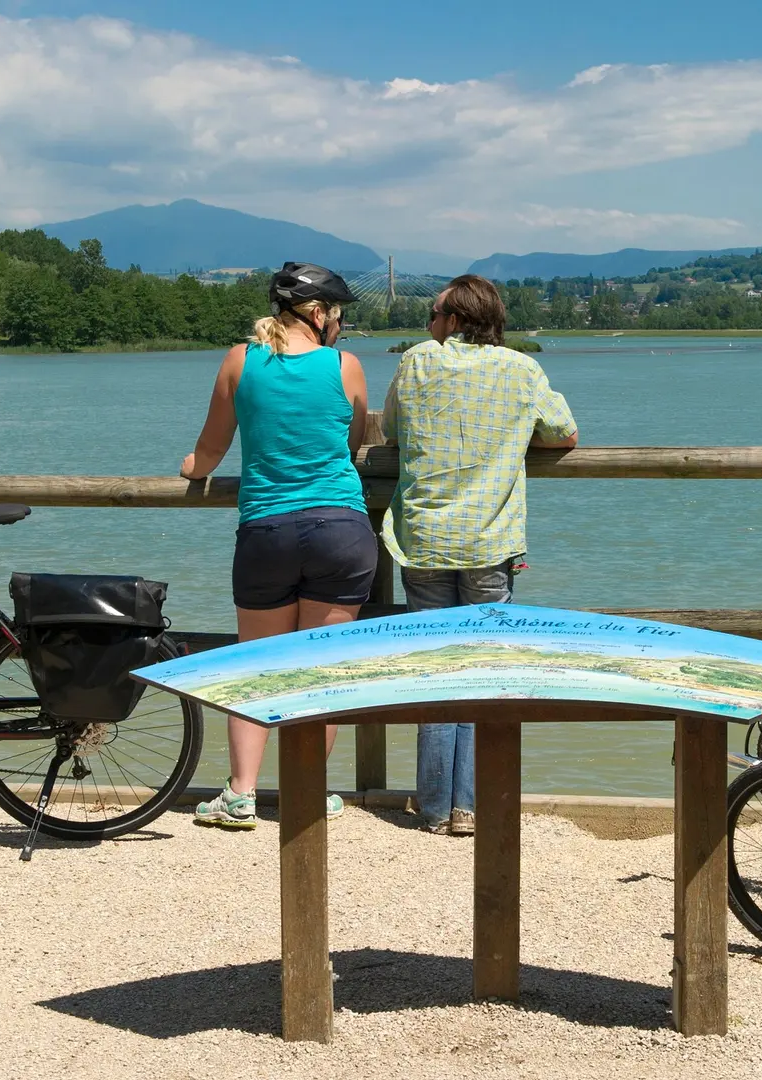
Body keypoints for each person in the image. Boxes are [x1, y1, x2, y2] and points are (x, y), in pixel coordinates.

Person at [380, 274, 578, 835]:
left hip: (424, 538)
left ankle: (437, 805)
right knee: (484, 669)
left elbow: (392, 429)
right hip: (490, 540)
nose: (429, 323)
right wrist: (512, 439)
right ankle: (471, 804)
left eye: (434, 312)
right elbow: (563, 433)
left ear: (455, 318)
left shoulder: (417, 362)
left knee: (436, 669)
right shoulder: (521, 370)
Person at [183, 262, 373, 830]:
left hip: (267, 529)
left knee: (254, 666)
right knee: (322, 667)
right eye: (338, 316)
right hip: (341, 529)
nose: (340, 327)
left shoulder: (241, 360)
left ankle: (241, 793)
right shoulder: (346, 367)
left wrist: (190, 468)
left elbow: (210, 452)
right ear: (318, 315)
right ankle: (307, 792)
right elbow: (355, 441)